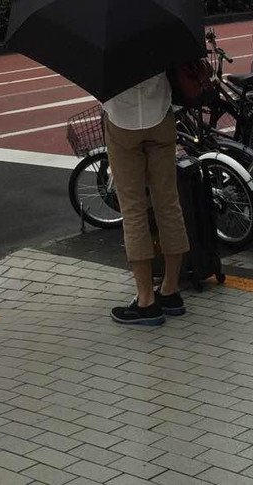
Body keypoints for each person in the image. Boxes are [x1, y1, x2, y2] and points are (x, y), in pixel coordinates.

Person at [102, 71, 190, 327]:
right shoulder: (157, 32)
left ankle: (146, 300)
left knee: (133, 210)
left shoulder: (108, 40)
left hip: (121, 121)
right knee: (169, 204)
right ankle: (171, 289)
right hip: (160, 115)